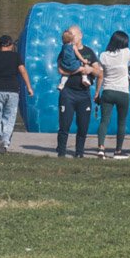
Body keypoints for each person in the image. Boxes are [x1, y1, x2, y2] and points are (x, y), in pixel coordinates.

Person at [56, 24, 101, 158]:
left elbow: (99, 72)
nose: (71, 37)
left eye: (73, 34)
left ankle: (79, 153)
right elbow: (61, 70)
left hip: (83, 94)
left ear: (80, 35)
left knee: (83, 126)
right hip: (68, 93)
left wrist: (91, 70)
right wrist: (79, 70)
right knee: (65, 124)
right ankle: (61, 153)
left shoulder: (89, 52)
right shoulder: (65, 50)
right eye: (69, 34)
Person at [0, 34, 34, 154]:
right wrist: (29, 87)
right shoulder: (16, 57)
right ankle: (5, 143)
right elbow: (23, 71)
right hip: (12, 91)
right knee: (9, 118)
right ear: (10, 45)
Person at [96, 30, 130, 159]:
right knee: (121, 122)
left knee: (104, 121)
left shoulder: (103, 55)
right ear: (123, 42)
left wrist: (97, 92)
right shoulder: (126, 52)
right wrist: (126, 70)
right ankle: (118, 151)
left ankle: (101, 149)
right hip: (122, 93)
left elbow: (101, 75)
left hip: (107, 91)